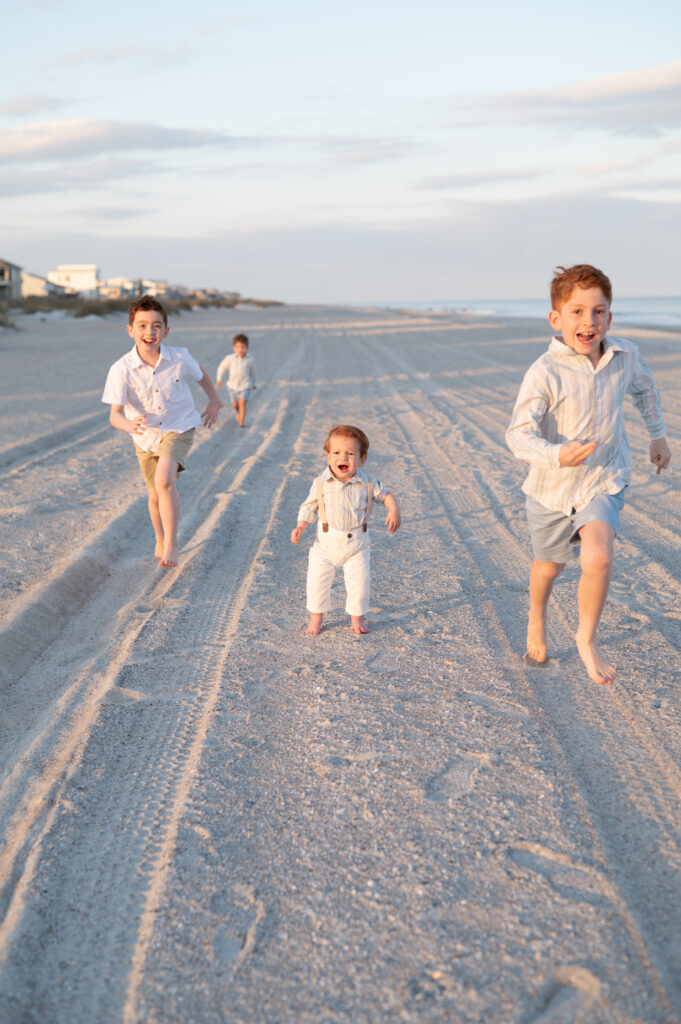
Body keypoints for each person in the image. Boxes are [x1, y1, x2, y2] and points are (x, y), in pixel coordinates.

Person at [506, 264, 671, 685]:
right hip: (551, 488)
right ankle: (537, 617)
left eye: (598, 311)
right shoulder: (544, 370)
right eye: (577, 311)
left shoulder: (625, 357)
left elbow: (646, 390)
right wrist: (557, 454)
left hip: (604, 478)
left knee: (598, 556)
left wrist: (658, 437)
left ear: (609, 318)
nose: (589, 321)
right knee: (549, 567)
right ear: (556, 319)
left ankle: (586, 638)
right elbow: (518, 436)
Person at [102, 296, 223, 568]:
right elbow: (115, 415)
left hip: (178, 426)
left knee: (165, 481)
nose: (150, 332)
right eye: (142, 326)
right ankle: (159, 538)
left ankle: (172, 544)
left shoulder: (179, 357)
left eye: (156, 326)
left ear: (165, 331)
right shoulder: (120, 369)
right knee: (155, 493)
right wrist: (129, 425)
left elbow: (201, 373)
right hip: (144, 436)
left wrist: (213, 400)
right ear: (130, 330)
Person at [291, 424, 402, 635]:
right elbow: (309, 505)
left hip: (357, 545)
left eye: (350, 453)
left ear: (362, 459)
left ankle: (357, 619)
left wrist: (394, 509)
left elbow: (386, 495)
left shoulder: (368, 483)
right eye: (337, 453)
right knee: (316, 583)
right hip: (325, 544)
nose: (343, 458)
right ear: (327, 456)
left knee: (359, 584)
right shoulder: (320, 483)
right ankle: (316, 619)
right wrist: (301, 526)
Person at [216, 333, 256, 427]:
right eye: (238, 347)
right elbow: (222, 367)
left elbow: (253, 372)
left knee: (242, 402)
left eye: (243, 347)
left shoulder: (250, 360)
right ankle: (238, 413)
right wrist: (219, 378)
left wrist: (253, 383)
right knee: (235, 405)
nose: (240, 349)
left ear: (247, 347)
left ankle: (241, 421)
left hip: (245, 385)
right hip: (232, 386)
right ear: (234, 348)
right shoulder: (230, 358)